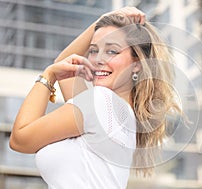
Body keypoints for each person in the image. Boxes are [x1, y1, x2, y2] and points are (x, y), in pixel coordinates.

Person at [10, 7, 181, 189]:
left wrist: (48, 75)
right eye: (93, 50)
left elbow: (19, 139)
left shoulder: (101, 102)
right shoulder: (116, 111)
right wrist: (104, 20)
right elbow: (67, 63)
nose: (98, 59)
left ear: (137, 64)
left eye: (112, 51)